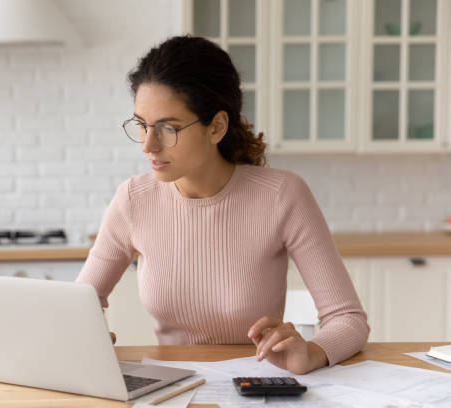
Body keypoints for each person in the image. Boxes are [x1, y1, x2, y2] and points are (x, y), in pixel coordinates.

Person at [76, 35, 369, 375]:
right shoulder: (133, 199)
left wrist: (313, 352)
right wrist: (85, 334)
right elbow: (81, 304)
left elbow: (348, 319)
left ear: (215, 127)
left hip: (256, 384)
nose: (148, 146)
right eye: (142, 126)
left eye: (168, 128)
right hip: (171, 387)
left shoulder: (282, 195)